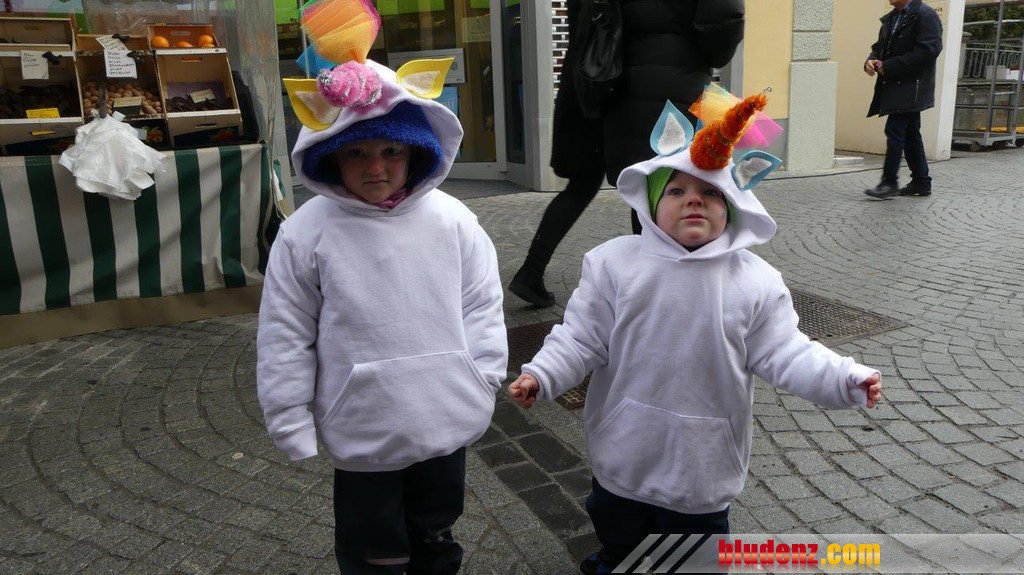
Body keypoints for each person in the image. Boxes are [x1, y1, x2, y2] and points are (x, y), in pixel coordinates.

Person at [508, 95, 882, 575]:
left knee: (695, 554)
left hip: (703, 459)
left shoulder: (755, 282)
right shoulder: (613, 264)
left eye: (710, 192)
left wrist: (843, 378)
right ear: (650, 204)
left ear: (733, 208)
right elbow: (581, 337)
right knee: (616, 524)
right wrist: (542, 374)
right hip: (626, 444)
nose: (693, 199)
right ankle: (616, 558)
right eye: (676, 190)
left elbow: (787, 352)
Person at [258, 59, 508, 575]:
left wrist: (482, 377)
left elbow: (481, 304)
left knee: (436, 524)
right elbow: (286, 330)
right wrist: (289, 415)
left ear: (416, 150)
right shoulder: (306, 233)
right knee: (373, 542)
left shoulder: (454, 221)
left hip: (444, 410)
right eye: (357, 152)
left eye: (392, 150)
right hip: (362, 424)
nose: (376, 167)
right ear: (331, 155)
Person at [509, 0, 745, 308]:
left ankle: (532, 271)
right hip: (667, 87)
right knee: (655, 189)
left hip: (602, 85)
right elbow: (723, 25)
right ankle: (654, 294)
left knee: (595, 186)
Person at [863, 0, 943, 199]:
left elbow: (929, 51)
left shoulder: (925, 15)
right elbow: (880, 46)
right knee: (910, 134)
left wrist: (889, 66)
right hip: (895, 84)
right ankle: (921, 182)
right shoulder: (892, 18)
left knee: (895, 130)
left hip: (912, 86)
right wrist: (871, 59)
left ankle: (889, 182)